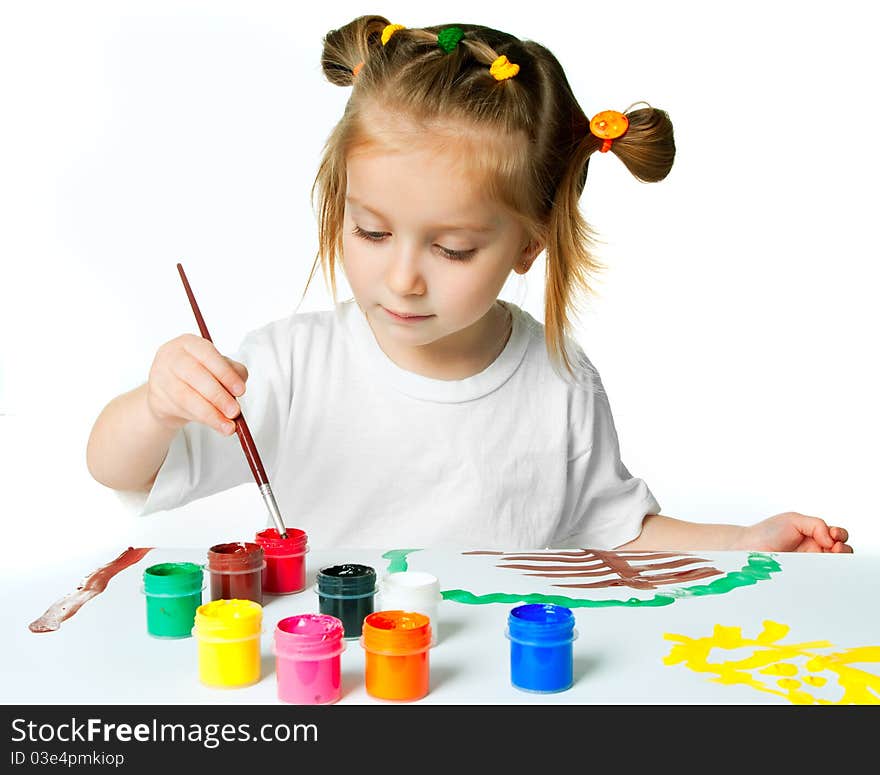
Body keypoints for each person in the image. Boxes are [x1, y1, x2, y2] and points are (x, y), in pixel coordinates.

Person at [86, 16, 852, 554]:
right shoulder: (290, 367)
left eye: (452, 248)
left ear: (527, 244)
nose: (402, 276)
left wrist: (746, 542)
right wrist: (156, 405)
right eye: (371, 231)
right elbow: (117, 467)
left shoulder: (559, 381)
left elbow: (622, 532)